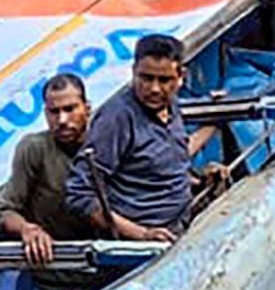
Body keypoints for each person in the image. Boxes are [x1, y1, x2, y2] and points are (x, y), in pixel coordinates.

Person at [66, 35, 197, 244]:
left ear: (180, 77)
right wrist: (141, 233)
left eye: (164, 80)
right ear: (133, 71)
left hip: (180, 228)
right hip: (143, 247)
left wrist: (196, 181)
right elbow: (79, 195)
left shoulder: (171, 106)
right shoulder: (117, 118)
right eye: (146, 78)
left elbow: (159, 167)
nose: (154, 89)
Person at [0, 71, 92, 264]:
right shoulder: (34, 149)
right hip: (57, 272)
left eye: (70, 109)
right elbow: (7, 211)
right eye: (54, 112)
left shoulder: (109, 140)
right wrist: (28, 229)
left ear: (87, 109)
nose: (62, 120)